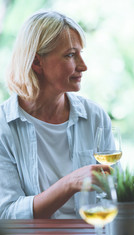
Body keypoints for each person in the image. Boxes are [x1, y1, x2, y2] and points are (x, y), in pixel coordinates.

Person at [0, 10, 115, 219]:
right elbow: (6, 215)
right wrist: (70, 183)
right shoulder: (3, 127)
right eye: (70, 55)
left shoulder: (95, 116)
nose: (83, 66)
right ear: (37, 63)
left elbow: (116, 194)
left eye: (81, 53)